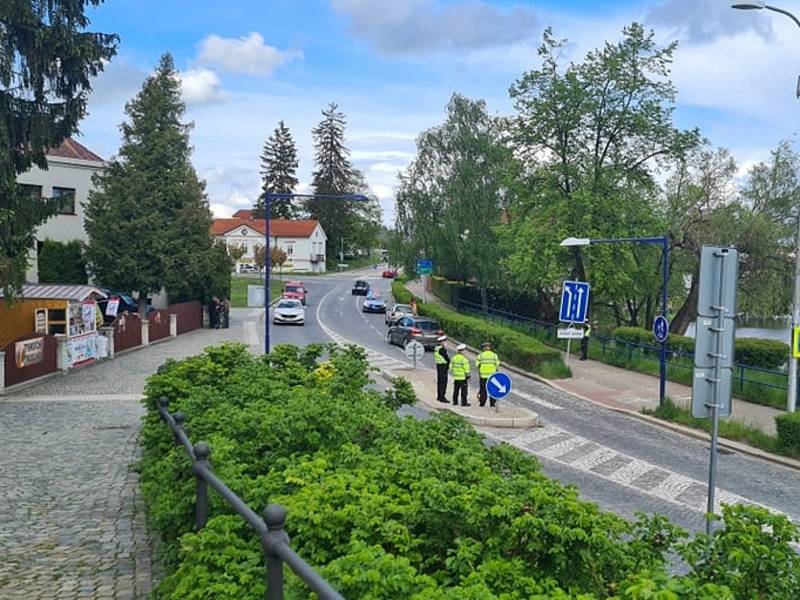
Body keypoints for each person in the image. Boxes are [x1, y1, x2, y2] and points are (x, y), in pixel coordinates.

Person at [476, 342, 500, 407]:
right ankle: (492, 404)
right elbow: (497, 365)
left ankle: (482, 403)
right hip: (492, 376)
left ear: (483, 348)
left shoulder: (480, 355)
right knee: (492, 390)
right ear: (490, 348)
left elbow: (477, 365)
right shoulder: (494, 355)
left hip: (483, 376)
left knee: (483, 390)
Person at [433, 335, 450, 403]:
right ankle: (442, 397)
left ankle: (439, 396)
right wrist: (445, 348)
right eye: (444, 341)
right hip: (443, 366)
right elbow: (447, 358)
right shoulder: (442, 349)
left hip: (439, 366)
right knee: (443, 383)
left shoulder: (437, 348)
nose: (445, 342)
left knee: (440, 382)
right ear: (441, 342)